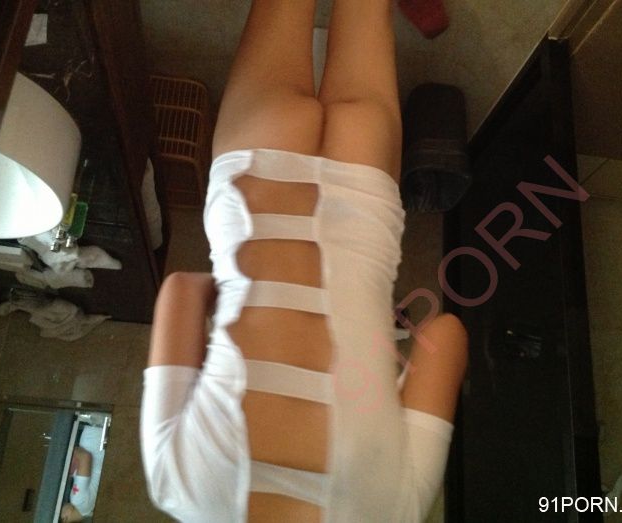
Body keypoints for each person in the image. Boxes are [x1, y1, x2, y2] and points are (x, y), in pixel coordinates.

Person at [140, 1, 468, 522]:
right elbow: (181, 289)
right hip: (257, 182)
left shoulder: (394, 514)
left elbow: (444, 335)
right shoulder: (175, 485)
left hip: (361, 200)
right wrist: (237, 292)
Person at [60, 425, 105, 522]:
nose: (62, 509)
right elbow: (85, 456)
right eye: (61, 514)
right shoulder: (77, 500)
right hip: (96, 432)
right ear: (65, 519)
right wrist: (65, 451)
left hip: (100, 436)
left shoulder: (88, 510)